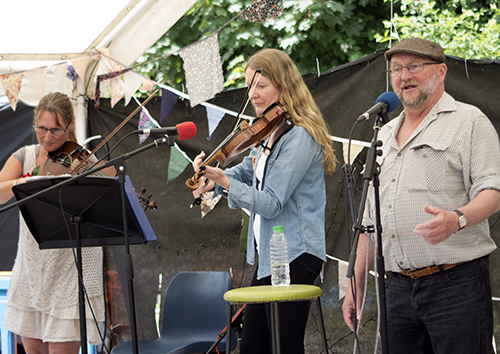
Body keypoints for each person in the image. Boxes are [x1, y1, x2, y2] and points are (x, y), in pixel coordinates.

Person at [342, 37, 500, 354]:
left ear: (440, 72)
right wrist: (355, 282)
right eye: (396, 69)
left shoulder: (469, 121)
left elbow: (493, 191)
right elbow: (371, 220)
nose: (404, 76)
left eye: (414, 66)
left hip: (455, 285)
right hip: (396, 287)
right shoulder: (382, 135)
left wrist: (457, 219)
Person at [191, 48, 337, 354]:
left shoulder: (299, 136)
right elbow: (244, 172)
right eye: (249, 87)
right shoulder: (269, 133)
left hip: (296, 254)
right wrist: (210, 180)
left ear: (284, 85)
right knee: (253, 346)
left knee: (283, 346)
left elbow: (271, 202)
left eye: (261, 86)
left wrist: (224, 181)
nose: (253, 94)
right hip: (272, 257)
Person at [0, 92, 114, 354]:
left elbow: (111, 179)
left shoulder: (80, 158)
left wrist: (90, 165)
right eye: (41, 129)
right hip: (31, 270)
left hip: (69, 273)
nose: (48, 137)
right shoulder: (24, 157)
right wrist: (23, 184)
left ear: (70, 124)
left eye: (56, 130)